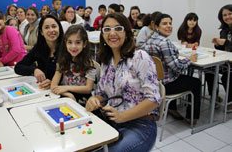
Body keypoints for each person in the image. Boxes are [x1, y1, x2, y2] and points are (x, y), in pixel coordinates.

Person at [85, 13, 160, 152]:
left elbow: (154, 100)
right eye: (107, 29)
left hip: (140, 125)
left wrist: (122, 116)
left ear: (127, 32)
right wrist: (94, 99)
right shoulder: (106, 61)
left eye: (118, 28)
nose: (112, 33)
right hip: (112, 121)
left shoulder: (140, 57)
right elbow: (102, 93)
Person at [144, 13, 201, 123]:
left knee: (177, 76)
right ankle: (192, 117)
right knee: (196, 82)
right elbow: (177, 67)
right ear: (156, 26)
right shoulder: (165, 42)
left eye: (170, 23)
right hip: (166, 85)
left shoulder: (150, 39)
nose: (169, 26)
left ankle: (172, 108)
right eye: (165, 23)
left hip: (155, 82)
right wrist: (190, 59)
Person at [51, 25, 97, 105]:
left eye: (78, 42)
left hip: (83, 102)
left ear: (85, 43)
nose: (73, 46)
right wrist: (69, 94)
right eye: (70, 42)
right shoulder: (62, 61)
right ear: (65, 43)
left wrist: (66, 88)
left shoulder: (90, 64)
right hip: (65, 97)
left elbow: (88, 88)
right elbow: (53, 86)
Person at [15, 14, 64, 89]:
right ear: (41, 32)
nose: (51, 30)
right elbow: (18, 67)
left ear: (59, 29)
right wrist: (34, 70)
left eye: (54, 26)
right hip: (45, 91)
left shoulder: (67, 48)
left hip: (63, 91)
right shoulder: (38, 48)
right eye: (47, 27)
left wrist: (53, 83)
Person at [206, 4, 232, 112]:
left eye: (230, 14)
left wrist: (226, 42)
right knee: (209, 69)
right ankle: (214, 96)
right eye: (224, 15)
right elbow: (222, 48)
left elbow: (227, 44)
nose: (227, 17)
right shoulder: (224, 30)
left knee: (227, 75)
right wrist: (217, 44)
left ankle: (230, 101)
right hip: (226, 60)